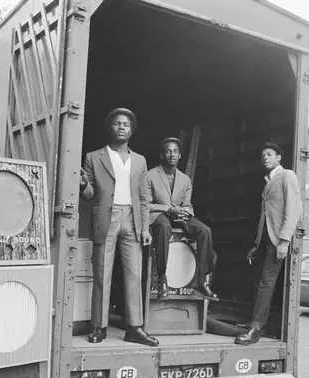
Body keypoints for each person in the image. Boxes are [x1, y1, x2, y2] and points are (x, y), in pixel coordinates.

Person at [79, 108, 158, 347]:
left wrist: (145, 228)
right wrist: (83, 185)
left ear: (132, 130)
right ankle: (98, 326)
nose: (121, 127)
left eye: (126, 124)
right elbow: (91, 194)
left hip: (132, 220)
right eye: (116, 123)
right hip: (107, 217)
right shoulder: (94, 157)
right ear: (110, 128)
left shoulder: (140, 160)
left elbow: (144, 198)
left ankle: (134, 328)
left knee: (135, 274)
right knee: (103, 273)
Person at [235, 142, 302, 345]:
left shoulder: (287, 176)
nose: (265, 157)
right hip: (265, 239)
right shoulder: (268, 181)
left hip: (277, 240)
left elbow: (294, 207)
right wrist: (256, 245)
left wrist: (284, 240)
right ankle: (254, 321)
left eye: (270, 154)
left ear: (278, 158)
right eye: (263, 155)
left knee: (266, 281)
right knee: (259, 280)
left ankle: (256, 327)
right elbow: (266, 216)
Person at [147, 137, 217, 300]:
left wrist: (186, 213)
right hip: (159, 215)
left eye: (175, 151)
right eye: (168, 151)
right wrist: (170, 210)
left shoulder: (185, 179)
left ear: (180, 156)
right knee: (164, 227)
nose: (172, 154)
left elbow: (188, 205)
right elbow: (146, 204)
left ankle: (201, 281)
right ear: (162, 155)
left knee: (205, 231)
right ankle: (162, 280)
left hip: (178, 215)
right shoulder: (150, 175)